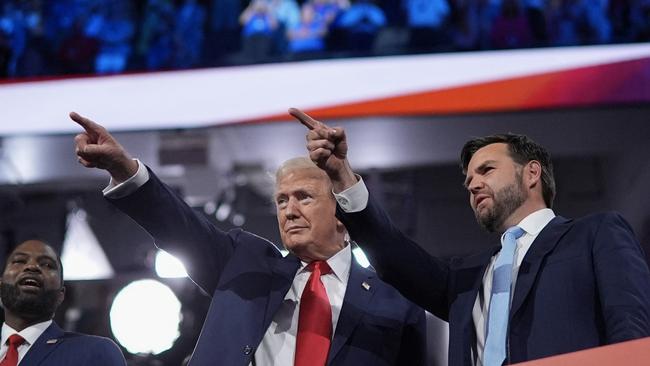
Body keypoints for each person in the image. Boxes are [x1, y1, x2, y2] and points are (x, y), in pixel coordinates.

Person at [289, 108, 650, 366]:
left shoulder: (594, 234)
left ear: (532, 174)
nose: (473, 183)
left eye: (487, 170)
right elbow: (392, 253)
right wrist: (342, 175)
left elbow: (631, 330)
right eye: (468, 180)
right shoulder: (463, 279)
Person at [69, 112, 427, 366]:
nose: (288, 210)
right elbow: (180, 226)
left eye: (304, 197)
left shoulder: (394, 294)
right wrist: (123, 170)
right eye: (281, 200)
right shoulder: (245, 263)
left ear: (342, 211)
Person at [0, 239, 126, 366]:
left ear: (61, 295)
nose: (32, 267)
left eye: (47, 265)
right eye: (19, 261)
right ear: (0, 286)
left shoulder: (95, 351)